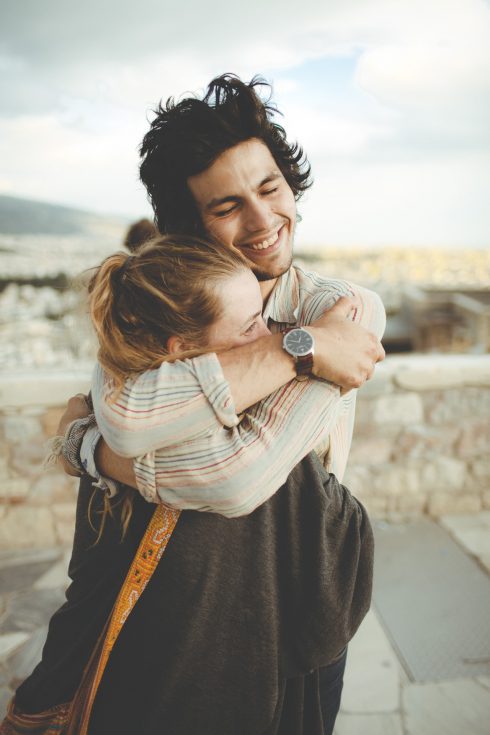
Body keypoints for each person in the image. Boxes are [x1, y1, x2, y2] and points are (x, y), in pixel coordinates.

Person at [6, 74, 385, 735]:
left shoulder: (342, 310)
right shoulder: (158, 302)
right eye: (228, 206)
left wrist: (90, 450)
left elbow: (235, 476)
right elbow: (130, 416)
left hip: (304, 582)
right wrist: (299, 350)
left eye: (270, 189)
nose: (263, 221)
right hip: (174, 603)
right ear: (191, 223)